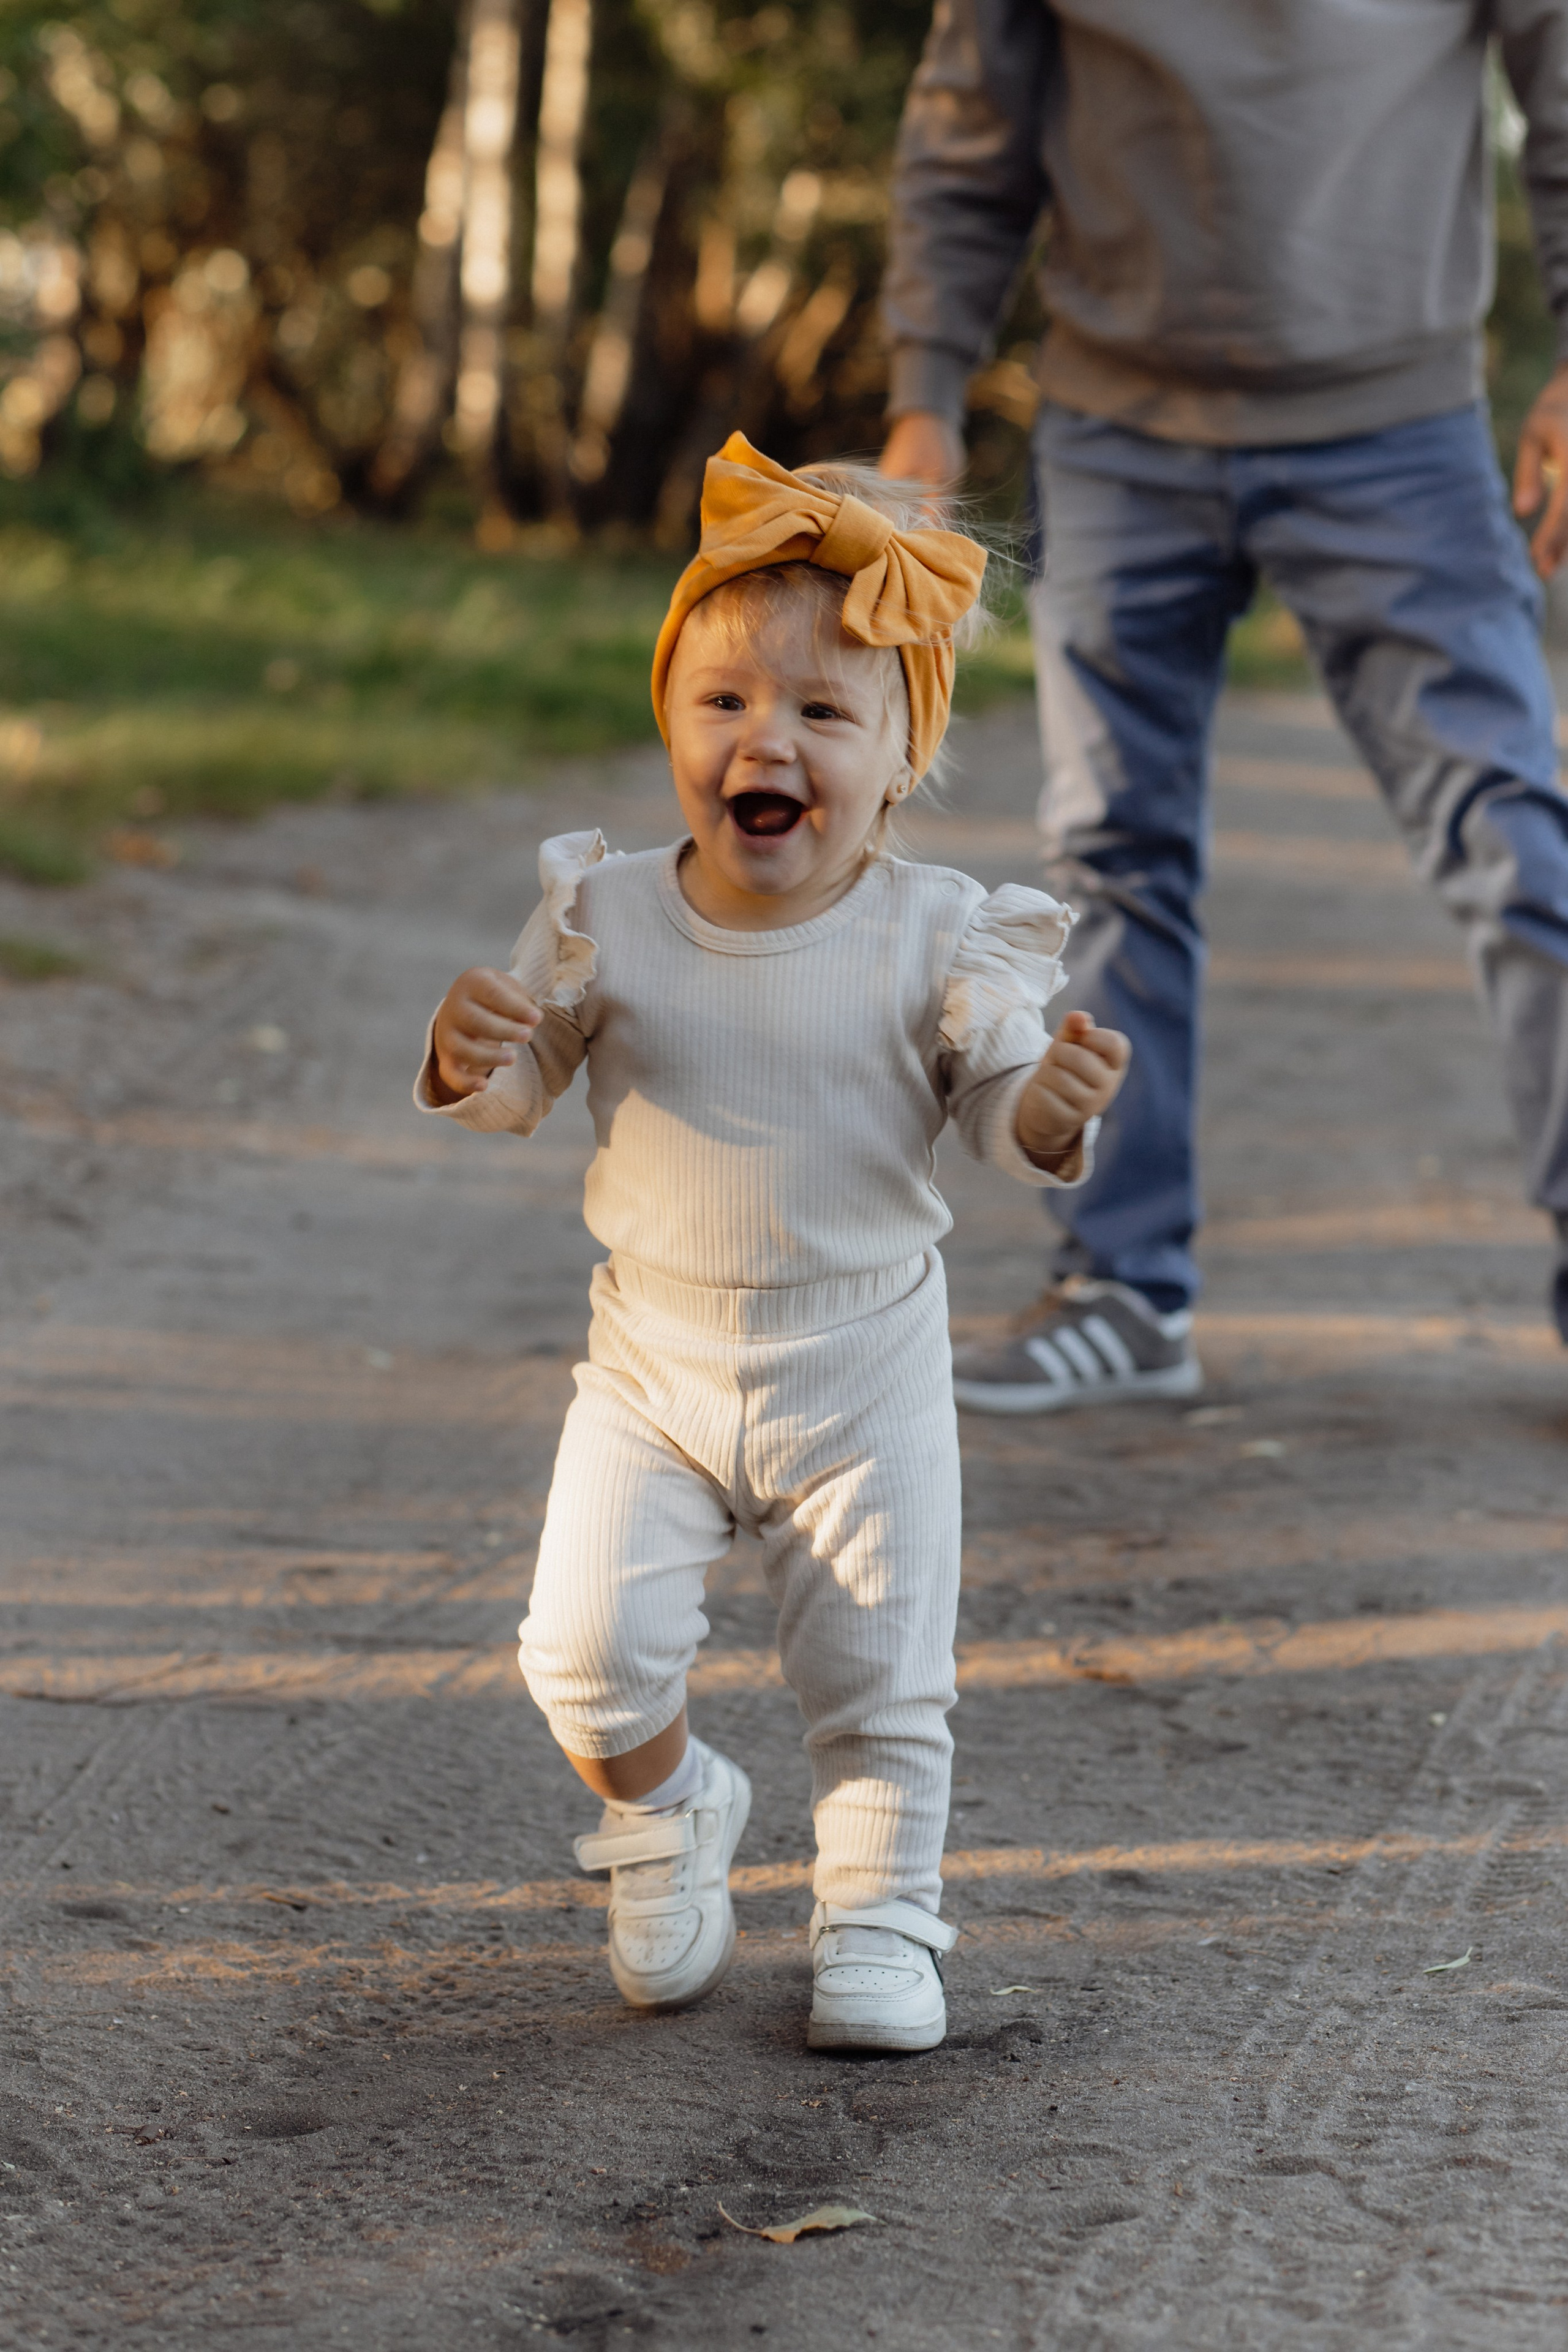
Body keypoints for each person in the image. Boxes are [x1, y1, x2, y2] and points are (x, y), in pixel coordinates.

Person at [414, 435, 1126, 2050]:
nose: (767, 742)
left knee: (882, 1681)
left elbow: (1007, 1106)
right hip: (651, 1361)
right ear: (670, 717)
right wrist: (470, 1050)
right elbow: (518, 1082)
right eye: (725, 700)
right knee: (580, 1652)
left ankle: (878, 1925)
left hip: (863, 1361)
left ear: (897, 755)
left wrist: (1060, 1109)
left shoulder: (937, 932)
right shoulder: (605, 911)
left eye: (823, 712)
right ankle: (669, 1806)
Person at [880, 1, 1568, 1412]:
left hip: (1398, 436)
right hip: (1118, 428)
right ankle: (1123, 1289)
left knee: (1519, 844)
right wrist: (924, 391)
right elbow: (970, 122)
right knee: (1108, 857)